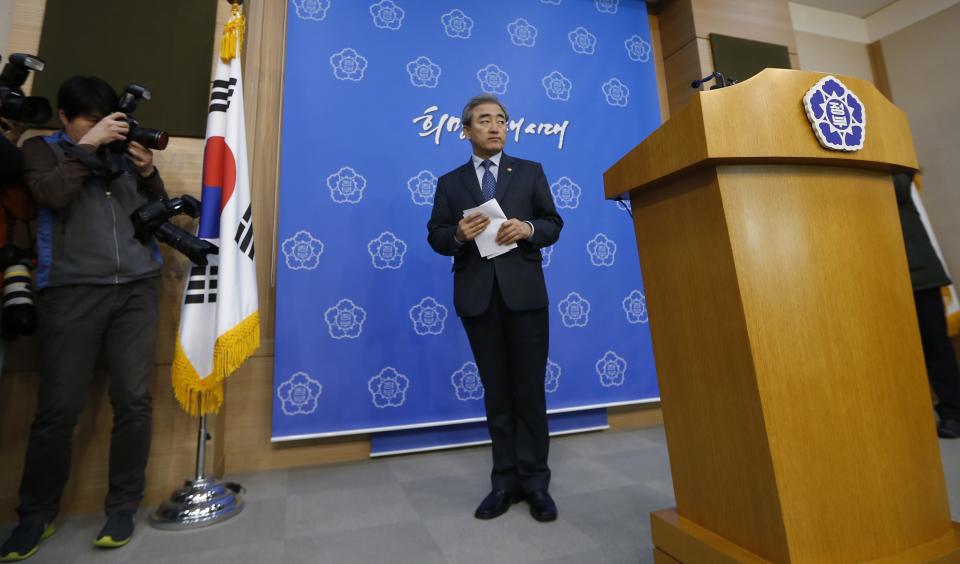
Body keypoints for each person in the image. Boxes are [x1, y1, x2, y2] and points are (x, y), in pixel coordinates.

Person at [0, 75, 165, 562]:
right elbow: (49, 196)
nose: (104, 129)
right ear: (66, 119)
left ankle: (122, 506)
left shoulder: (122, 149)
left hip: (137, 287)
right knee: (58, 408)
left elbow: (153, 208)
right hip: (71, 293)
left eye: (107, 119)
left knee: (134, 400)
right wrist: (86, 149)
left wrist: (149, 170)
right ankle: (35, 515)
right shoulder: (40, 151)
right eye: (91, 121)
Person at [427, 94, 563, 522]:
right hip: (478, 298)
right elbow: (435, 235)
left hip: (525, 296)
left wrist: (528, 228)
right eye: (484, 120)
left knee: (529, 390)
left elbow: (553, 223)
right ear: (466, 131)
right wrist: (458, 236)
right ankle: (503, 482)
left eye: (501, 120)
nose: (495, 126)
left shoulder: (529, 172)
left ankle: (536, 483)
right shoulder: (450, 183)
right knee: (498, 392)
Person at [893, 171, 960, 439]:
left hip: (920, 277)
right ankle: (910, 415)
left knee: (936, 347)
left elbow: (897, 187)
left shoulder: (897, 168)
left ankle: (953, 412)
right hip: (880, 278)